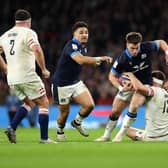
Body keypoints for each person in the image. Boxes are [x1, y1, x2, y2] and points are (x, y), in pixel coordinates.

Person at [95, 32, 168, 142]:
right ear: (127, 45)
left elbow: (161, 42)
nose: (135, 51)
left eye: (137, 48)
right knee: (115, 111)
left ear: (140, 44)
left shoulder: (146, 47)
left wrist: (167, 52)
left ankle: (119, 136)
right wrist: (120, 88)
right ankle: (106, 135)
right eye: (132, 48)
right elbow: (111, 76)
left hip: (144, 84)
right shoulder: (122, 59)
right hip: (128, 85)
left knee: (134, 106)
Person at [0, 9, 56, 144]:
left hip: (12, 78)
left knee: (29, 102)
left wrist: (6, 68)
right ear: (28, 22)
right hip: (27, 75)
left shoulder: (4, 36)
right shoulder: (29, 33)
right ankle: (44, 138)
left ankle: (12, 127)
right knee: (44, 102)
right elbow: (36, 49)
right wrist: (43, 69)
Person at [52, 21, 112, 141]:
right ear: (74, 34)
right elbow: (80, 60)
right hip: (61, 85)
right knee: (64, 113)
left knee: (89, 105)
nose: (84, 35)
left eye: (86, 32)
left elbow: (82, 61)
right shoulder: (71, 45)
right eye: (81, 32)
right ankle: (60, 130)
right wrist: (99, 58)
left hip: (75, 82)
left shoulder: (83, 47)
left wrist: (94, 63)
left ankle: (77, 122)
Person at [125, 71, 168, 141]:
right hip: (167, 136)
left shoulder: (154, 90)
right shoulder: (165, 93)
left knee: (125, 130)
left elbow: (139, 88)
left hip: (151, 137)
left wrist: (131, 75)